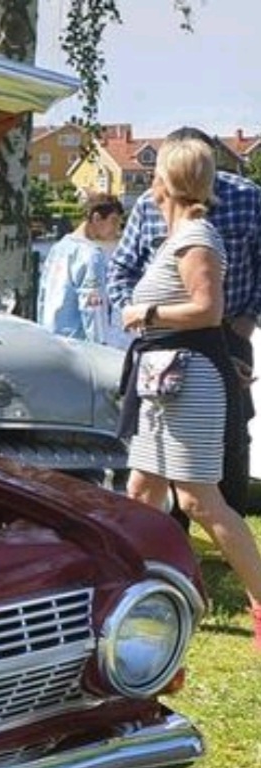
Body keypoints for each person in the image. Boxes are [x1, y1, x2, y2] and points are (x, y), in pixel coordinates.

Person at [116, 136, 261, 649]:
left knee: (199, 501)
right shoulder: (178, 234)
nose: (148, 180)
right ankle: (135, 593)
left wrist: (144, 314)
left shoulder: (197, 237)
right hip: (164, 382)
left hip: (188, 383)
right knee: (141, 493)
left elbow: (209, 310)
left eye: (154, 172)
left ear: (166, 181)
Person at [37, 189, 126, 345]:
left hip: (50, 340)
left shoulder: (58, 248)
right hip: (77, 346)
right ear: (97, 218)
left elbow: (42, 297)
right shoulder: (92, 256)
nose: (117, 228)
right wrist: (101, 347)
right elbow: (93, 308)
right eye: (114, 221)